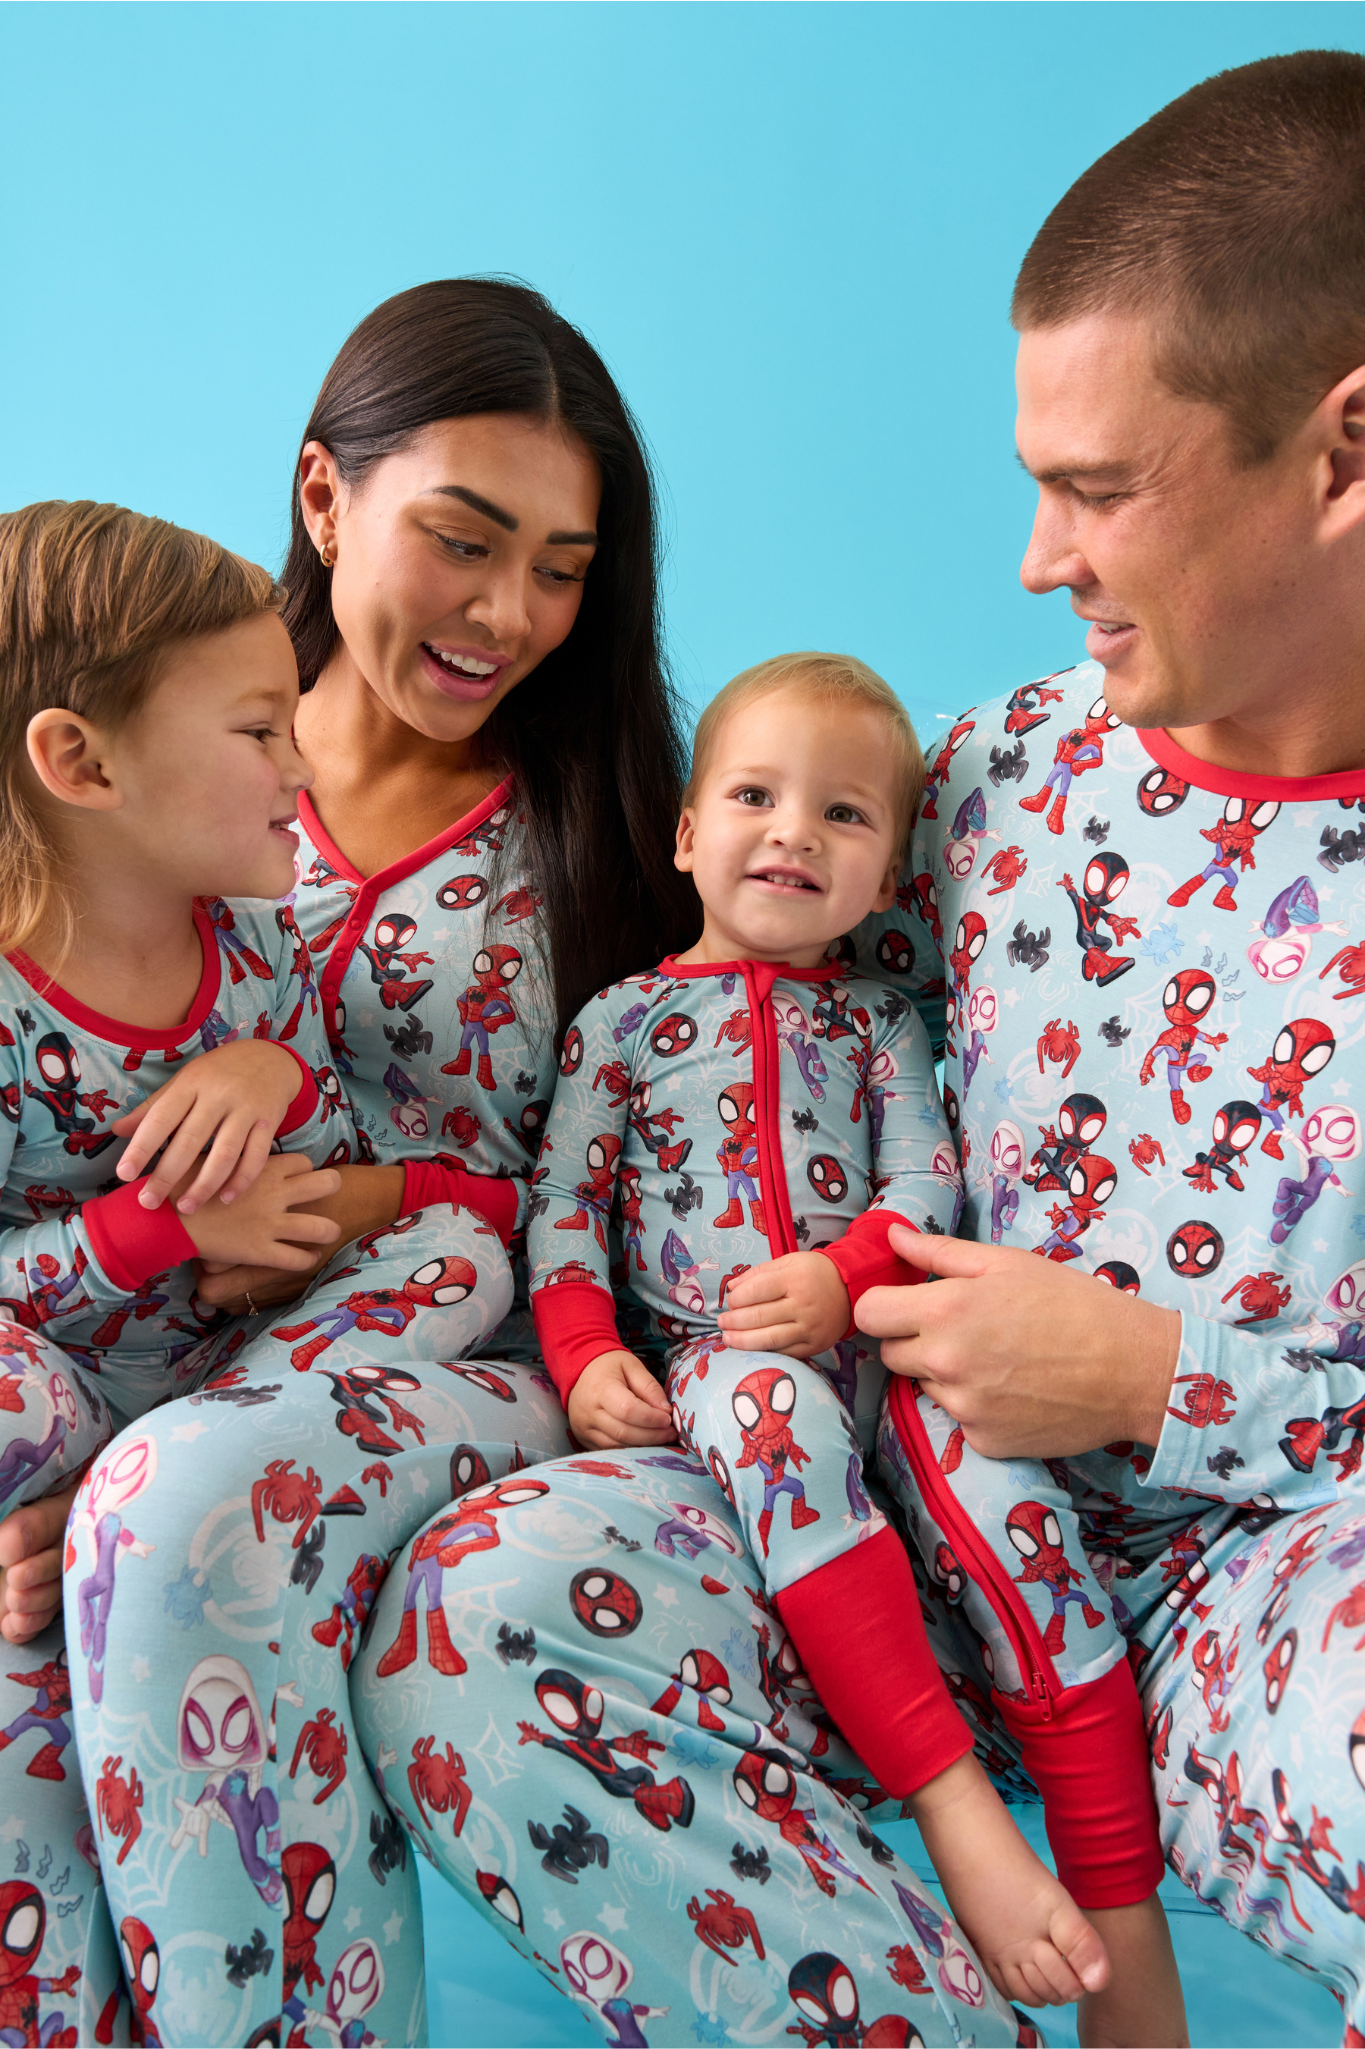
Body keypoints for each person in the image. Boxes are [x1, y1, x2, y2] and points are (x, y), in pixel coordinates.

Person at [354, 52, 1365, 2049]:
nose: (1033, 559)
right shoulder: (982, 778)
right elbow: (680, 1084)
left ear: (1341, 451)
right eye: (1029, 481)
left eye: (1095, 488)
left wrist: (1163, 1379)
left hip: (1279, 1605)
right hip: (868, 1518)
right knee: (479, 1611)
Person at [63, 281, 698, 2047]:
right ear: (324, 497)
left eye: (563, 566)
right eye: (465, 540)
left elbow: (602, 1184)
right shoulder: (139, 763)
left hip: (465, 1363)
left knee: (179, 1510)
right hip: (149, 1337)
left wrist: (347, 1208)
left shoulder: (622, 826)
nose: (511, 612)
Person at [518, 647, 1129, 2015]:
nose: (795, 830)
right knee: (772, 1408)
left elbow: (929, 1178)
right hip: (724, 1372)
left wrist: (847, 1283)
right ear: (686, 835)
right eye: (754, 795)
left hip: (894, 1345)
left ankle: (1113, 1883)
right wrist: (582, 1359)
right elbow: (562, 1212)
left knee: (1007, 1491)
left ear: (893, 869)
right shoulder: (621, 1022)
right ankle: (954, 1805)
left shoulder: (874, 1024)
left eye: (846, 815)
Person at [0, 499, 352, 2044]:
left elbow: (341, 1153)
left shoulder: (260, 954)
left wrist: (272, 1072)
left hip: (187, 1434)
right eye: (265, 730)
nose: (306, 770)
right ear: (82, 764)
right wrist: (160, 1231)